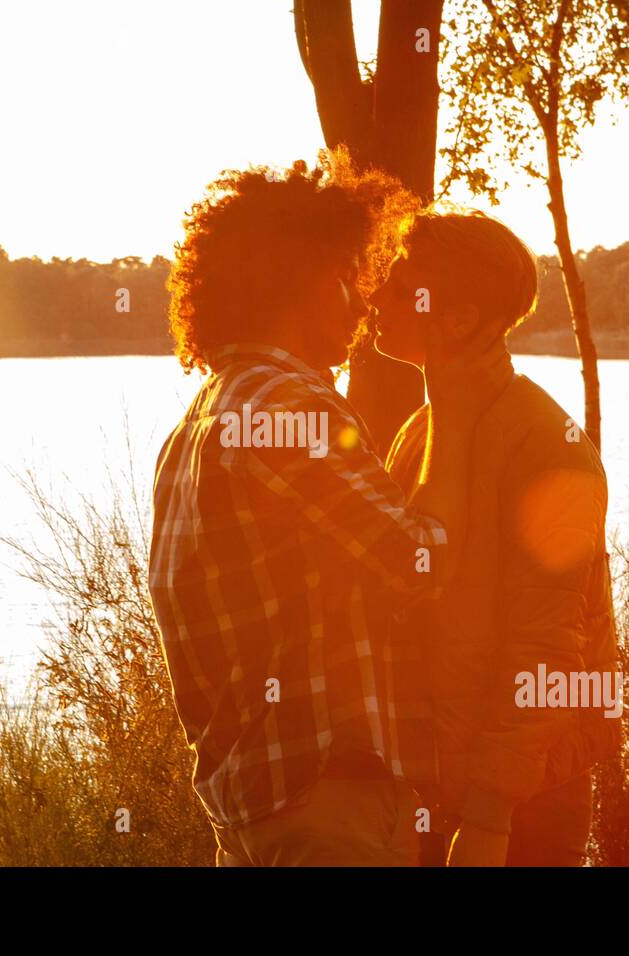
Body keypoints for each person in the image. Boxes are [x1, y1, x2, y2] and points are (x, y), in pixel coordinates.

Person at [148, 160, 506, 865]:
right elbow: (418, 562)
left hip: (251, 809)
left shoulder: (197, 422)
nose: (364, 302)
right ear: (302, 279)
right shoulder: (291, 410)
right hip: (327, 803)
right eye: (350, 276)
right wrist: (456, 427)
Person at [370, 211, 621, 867]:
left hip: (521, 804)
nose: (376, 296)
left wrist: (489, 815)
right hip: (436, 788)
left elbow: (548, 642)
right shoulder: (421, 432)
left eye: (400, 287)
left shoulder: (544, 443)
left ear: (460, 317)